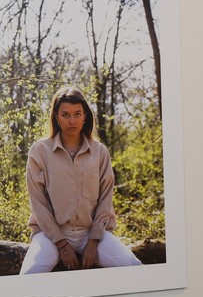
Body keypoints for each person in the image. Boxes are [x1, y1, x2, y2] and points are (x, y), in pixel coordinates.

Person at [19, 86, 142, 273]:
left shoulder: (100, 152)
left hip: (92, 234)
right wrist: (61, 243)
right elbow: (38, 203)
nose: (72, 120)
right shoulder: (40, 151)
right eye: (65, 115)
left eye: (77, 114)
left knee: (135, 269)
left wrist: (93, 240)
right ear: (56, 117)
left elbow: (105, 199)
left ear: (85, 116)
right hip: (50, 235)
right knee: (28, 276)